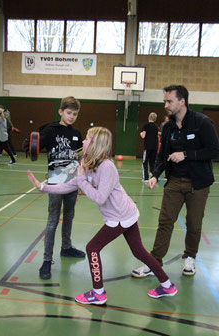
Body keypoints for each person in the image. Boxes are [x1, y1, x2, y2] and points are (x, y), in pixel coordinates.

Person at [27, 126, 178, 304]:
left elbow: (99, 198)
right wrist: (42, 187)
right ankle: (167, 285)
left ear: (96, 144)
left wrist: (82, 179)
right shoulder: (88, 162)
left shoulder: (107, 167)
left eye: (86, 138)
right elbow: (70, 185)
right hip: (124, 214)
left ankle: (98, 293)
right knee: (139, 252)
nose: (82, 141)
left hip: (120, 216)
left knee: (92, 248)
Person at [132, 85, 219, 278]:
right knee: (165, 221)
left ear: (182, 101)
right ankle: (155, 262)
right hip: (174, 182)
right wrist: (154, 175)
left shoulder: (202, 123)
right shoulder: (168, 127)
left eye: (169, 101)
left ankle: (190, 257)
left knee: (194, 224)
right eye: (164, 101)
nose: (166, 105)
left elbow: (214, 151)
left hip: (198, 184)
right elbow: (162, 156)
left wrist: (186, 154)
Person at [32, 96, 85, 280]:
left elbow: (80, 159)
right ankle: (47, 260)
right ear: (61, 111)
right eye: (69, 113)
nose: (71, 117)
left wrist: (81, 181)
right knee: (53, 219)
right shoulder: (50, 130)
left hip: (72, 183)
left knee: (69, 216)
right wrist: (30, 145)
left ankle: (66, 247)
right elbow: (36, 146)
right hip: (55, 182)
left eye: (75, 114)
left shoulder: (77, 133)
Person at [140, 112, 159, 182]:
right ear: (155, 119)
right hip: (154, 147)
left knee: (145, 162)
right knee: (152, 162)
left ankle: (146, 178)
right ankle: (154, 178)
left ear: (149, 117)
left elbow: (143, 136)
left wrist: (141, 133)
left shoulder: (146, 125)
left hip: (147, 147)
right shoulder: (156, 126)